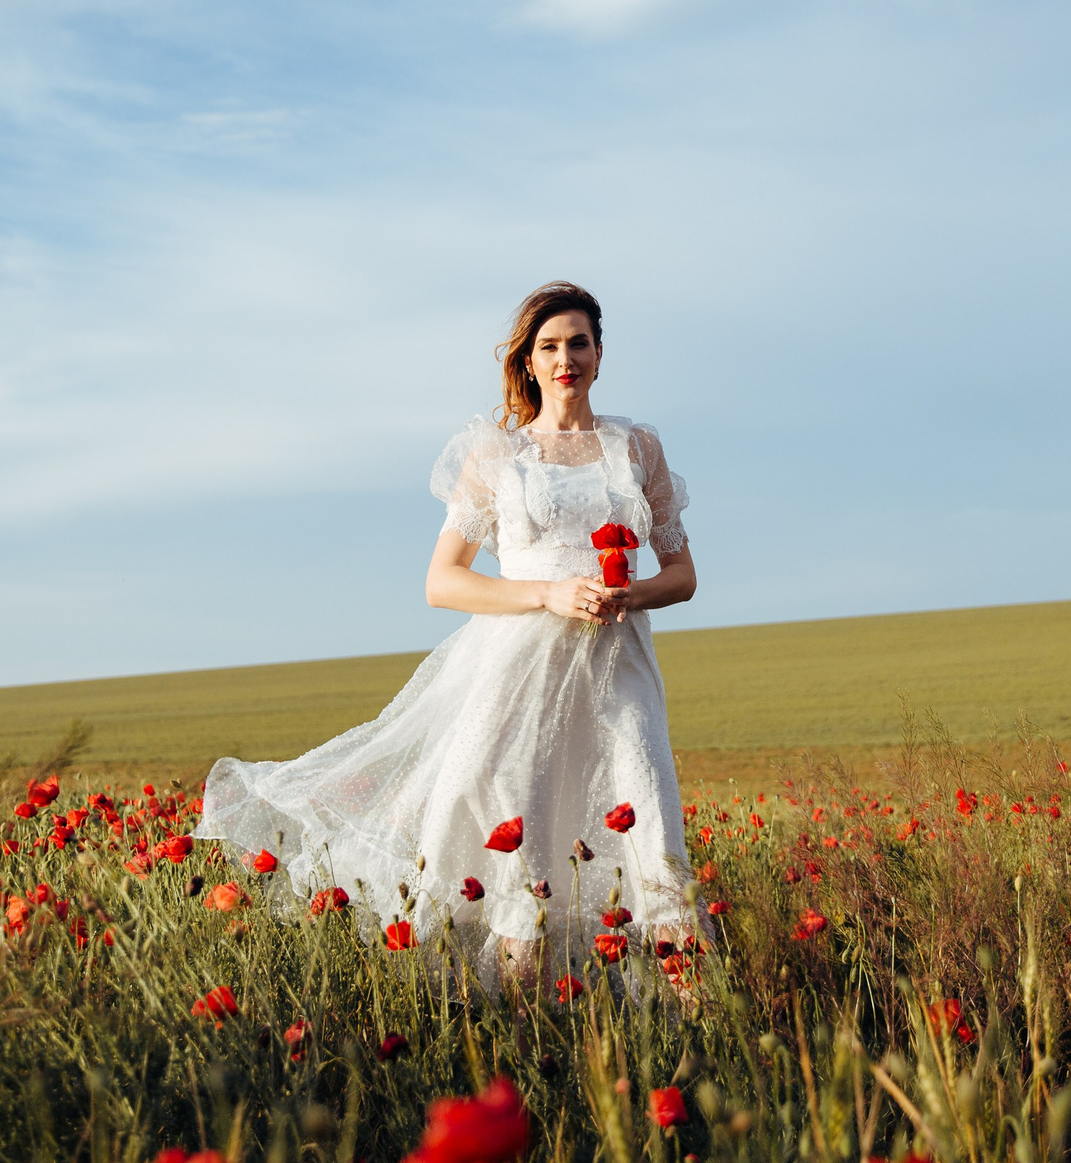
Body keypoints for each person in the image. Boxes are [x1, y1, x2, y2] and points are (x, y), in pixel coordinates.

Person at [195, 281, 698, 989]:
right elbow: (443, 581)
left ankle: (690, 1019)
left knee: (649, 823)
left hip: (620, 665)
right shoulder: (496, 454)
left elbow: (682, 573)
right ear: (527, 360)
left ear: (600, 351)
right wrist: (548, 593)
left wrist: (628, 593)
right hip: (518, 669)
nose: (566, 359)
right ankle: (520, 1037)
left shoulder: (636, 446)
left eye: (578, 343)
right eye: (548, 346)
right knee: (522, 845)